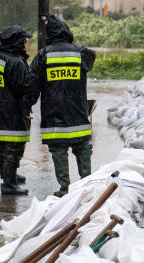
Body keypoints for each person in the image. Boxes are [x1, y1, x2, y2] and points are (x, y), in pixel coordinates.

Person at [28, 16, 96, 197]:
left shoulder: (43, 55)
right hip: (77, 110)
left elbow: (33, 83)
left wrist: (27, 104)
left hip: (54, 112)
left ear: (49, 35)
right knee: (82, 147)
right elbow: (91, 57)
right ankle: (87, 183)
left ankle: (65, 188)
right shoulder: (81, 52)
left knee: (58, 151)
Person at [0, 25, 33, 195]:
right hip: (13, 115)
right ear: (17, 41)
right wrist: (26, 110)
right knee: (13, 149)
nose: (25, 42)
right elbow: (23, 90)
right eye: (23, 40)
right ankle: (9, 184)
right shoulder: (17, 63)